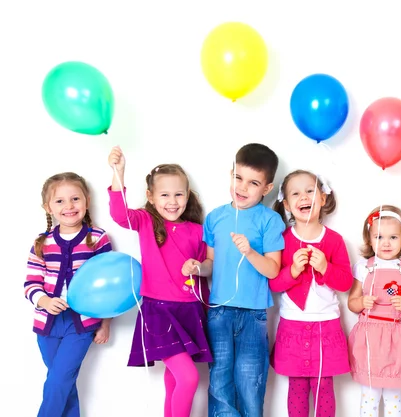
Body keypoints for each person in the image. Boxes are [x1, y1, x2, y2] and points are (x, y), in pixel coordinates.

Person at [182, 143, 285, 417]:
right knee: (219, 381)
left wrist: (250, 251)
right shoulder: (215, 218)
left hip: (253, 314)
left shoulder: (270, 221)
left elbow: (273, 270)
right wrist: (197, 267)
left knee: (250, 381)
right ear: (231, 174)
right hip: (219, 311)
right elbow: (211, 264)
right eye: (238, 178)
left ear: (267, 188)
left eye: (253, 183)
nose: (242, 187)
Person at [108, 146, 212, 417]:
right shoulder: (145, 222)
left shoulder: (198, 231)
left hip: (189, 311)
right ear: (151, 197)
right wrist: (118, 174)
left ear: (187, 196)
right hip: (158, 312)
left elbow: (208, 267)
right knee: (188, 379)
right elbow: (120, 215)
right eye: (164, 194)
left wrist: (198, 267)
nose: (172, 201)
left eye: (179, 194)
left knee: (175, 379)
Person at [24, 172, 113, 417]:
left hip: (81, 323)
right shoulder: (42, 243)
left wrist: (105, 324)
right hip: (47, 324)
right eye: (60, 201)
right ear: (48, 207)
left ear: (86, 200)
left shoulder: (97, 238)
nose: (69, 206)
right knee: (63, 383)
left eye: (75, 199)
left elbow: (108, 288)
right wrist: (44, 300)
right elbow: (31, 283)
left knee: (57, 381)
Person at [269, 170, 353, 417]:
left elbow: (346, 283)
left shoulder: (335, 241)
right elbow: (274, 284)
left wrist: (326, 267)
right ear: (286, 204)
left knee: (324, 385)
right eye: (295, 193)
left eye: (310, 191)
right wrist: (293, 270)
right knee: (296, 387)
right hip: (293, 326)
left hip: (326, 326)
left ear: (323, 198)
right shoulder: (282, 240)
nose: (303, 197)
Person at [347, 205, 401, 416]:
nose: (386, 243)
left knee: (393, 397)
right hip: (370, 341)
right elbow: (352, 303)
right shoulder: (363, 267)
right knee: (370, 396)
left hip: (397, 340)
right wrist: (362, 301)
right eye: (379, 236)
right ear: (369, 238)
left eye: (393, 237)